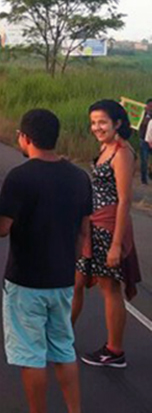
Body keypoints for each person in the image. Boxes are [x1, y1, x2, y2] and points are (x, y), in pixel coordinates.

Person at [0, 109, 91, 413]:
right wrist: (70, 263)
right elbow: (83, 231)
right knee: (64, 349)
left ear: (25, 138)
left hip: (25, 281)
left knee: (31, 355)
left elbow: (1, 229)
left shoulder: (20, 177)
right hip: (62, 280)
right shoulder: (79, 177)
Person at [73, 100, 142, 368]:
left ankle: (115, 351)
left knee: (109, 288)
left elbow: (125, 201)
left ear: (118, 123)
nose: (96, 127)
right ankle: (61, 336)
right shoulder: (106, 147)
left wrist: (116, 245)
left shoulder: (123, 153)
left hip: (108, 229)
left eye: (102, 122)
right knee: (76, 282)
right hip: (92, 226)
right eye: (93, 122)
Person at [139, 99, 152, 185]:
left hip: (151, 140)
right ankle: (144, 179)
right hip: (143, 140)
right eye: (149, 105)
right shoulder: (141, 114)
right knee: (144, 160)